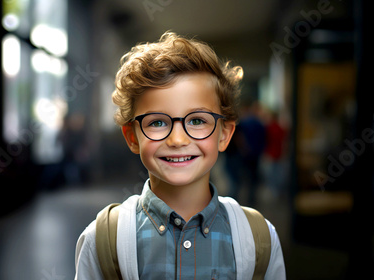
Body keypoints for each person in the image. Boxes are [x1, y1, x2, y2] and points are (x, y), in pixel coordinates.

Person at [74, 32, 285, 279]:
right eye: (157, 123)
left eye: (197, 120)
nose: (177, 140)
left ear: (224, 134)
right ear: (132, 136)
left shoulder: (260, 238)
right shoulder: (101, 241)